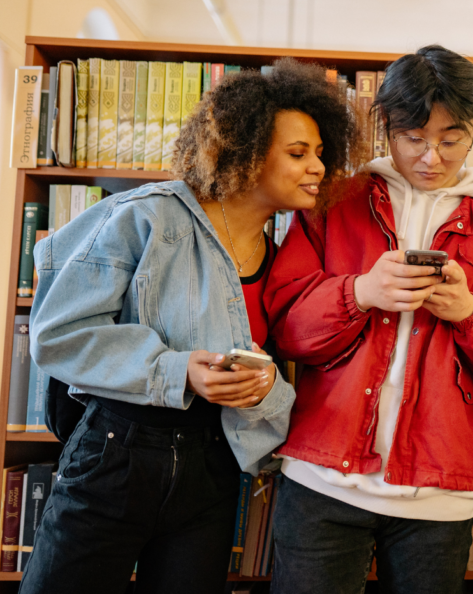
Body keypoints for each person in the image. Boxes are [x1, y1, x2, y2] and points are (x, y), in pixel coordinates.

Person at [24, 58, 357, 594]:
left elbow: (276, 375)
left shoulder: (283, 261)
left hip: (213, 465)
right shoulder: (146, 216)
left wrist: (264, 388)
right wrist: (180, 371)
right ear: (246, 151)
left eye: (320, 153)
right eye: (298, 153)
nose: (318, 167)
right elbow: (59, 334)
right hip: (116, 452)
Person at [264, 44, 473, 594]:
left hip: (440, 491)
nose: (432, 158)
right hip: (323, 477)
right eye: (413, 138)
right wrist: (362, 292)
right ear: (387, 131)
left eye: (451, 140)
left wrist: (471, 311)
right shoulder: (335, 202)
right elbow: (284, 327)